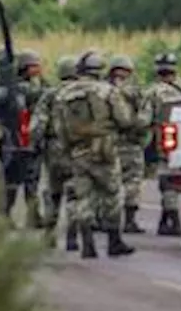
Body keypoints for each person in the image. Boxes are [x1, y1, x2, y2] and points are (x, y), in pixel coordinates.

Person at [54, 51, 136, 259]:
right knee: (112, 194)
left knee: (83, 196)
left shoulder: (64, 94)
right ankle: (113, 241)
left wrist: (67, 149)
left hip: (78, 150)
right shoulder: (108, 91)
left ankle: (87, 243)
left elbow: (59, 127)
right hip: (105, 149)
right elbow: (125, 120)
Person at [144, 52, 181, 236]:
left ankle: (174, 220)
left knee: (167, 179)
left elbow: (144, 119)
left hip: (165, 139)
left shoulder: (153, 92)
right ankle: (165, 219)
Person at [29, 54, 79, 246]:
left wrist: (35, 144)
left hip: (55, 148)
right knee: (75, 192)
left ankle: (49, 234)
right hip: (79, 148)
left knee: (53, 191)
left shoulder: (51, 94)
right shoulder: (86, 93)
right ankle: (72, 236)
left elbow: (38, 124)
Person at [108, 53, 153, 235]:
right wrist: (135, 128)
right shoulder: (137, 91)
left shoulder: (103, 90)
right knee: (132, 182)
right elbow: (145, 117)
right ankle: (129, 221)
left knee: (109, 182)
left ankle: (106, 220)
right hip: (131, 143)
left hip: (108, 143)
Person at [11, 50, 48, 230]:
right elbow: (42, 95)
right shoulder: (23, 88)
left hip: (28, 138)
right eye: (34, 66)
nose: (38, 69)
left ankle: (32, 214)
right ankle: (31, 215)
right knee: (26, 179)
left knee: (30, 179)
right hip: (24, 139)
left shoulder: (21, 86)